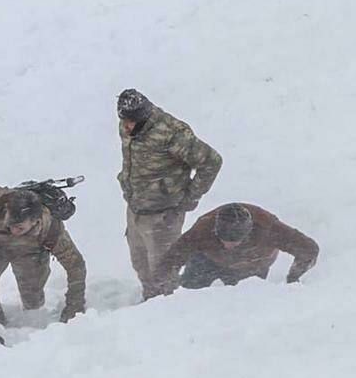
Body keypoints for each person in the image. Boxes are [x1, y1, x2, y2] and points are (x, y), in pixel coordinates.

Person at [116, 89, 223, 300]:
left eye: (131, 122)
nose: (126, 127)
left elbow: (211, 162)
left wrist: (190, 197)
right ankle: (149, 300)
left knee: (164, 271)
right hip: (136, 208)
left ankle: (166, 308)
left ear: (143, 117)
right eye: (123, 120)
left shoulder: (172, 133)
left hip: (164, 215)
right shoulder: (127, 123)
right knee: (140, 263)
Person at [0, 184, 87, 322]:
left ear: (35, 221)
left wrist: (74, 306)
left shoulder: (51, 230)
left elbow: (76, 266)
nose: (13, 230)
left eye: (19, 227)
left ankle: (31, 322)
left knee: (33, 300)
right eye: (9, 224)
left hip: (31, 255)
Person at [156, 202, 319, 291]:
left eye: (235, 241)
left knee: (246, 305)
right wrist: (164, 285)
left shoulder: (268, 228)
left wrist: (293, 279)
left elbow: (308, 249)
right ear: (215, 230)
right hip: (208, 261)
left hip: (252, 265)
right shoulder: (203, 229)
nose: (228, 246)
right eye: (223, 240)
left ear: (249, 232)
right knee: (189, 293)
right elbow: (171, 259)